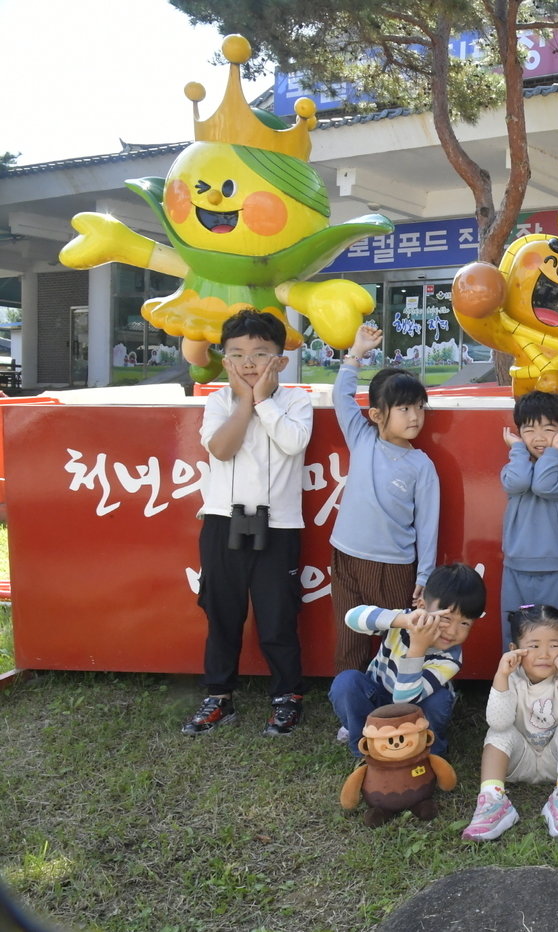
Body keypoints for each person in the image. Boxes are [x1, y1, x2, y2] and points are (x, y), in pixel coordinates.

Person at [182, 309, 313, 737]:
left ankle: (287, 696)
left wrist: (263, 400)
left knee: (278, 615)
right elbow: (220, 449)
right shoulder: (219, 401)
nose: (249, 363)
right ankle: (219, 696)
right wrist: (243, 401)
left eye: (261, 353)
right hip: (223, 522)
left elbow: (293, 442)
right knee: (221, 613)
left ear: (281, 360)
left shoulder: (295, 401)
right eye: (237, 354)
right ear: (224, 360)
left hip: (279, 526)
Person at [329, 324, 441, 690]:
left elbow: (428, 527)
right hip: (345, 556)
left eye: (419, 408)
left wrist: (423, 577)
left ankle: (393, 706)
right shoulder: (361, 437)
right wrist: (356, 354)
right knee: (350, 636)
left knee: (395, 642)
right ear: (377, 415)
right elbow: (341, 398)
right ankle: (351, 706)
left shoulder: (421, 465)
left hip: (394, 568)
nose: (415, 417)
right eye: (404, 408)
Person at [462, 604, 558, 841]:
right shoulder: (511, 678)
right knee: (498, 733)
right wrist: (501, 676)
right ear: (514, 649)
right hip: (518, 761)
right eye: (533, 646)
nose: (544, 654)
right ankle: (493, 800)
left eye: (554, 646)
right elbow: (498, 722)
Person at [329, 563, 487, 757]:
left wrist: (417, 647)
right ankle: (365, 747)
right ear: (421, 606)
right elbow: (351, 618)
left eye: (465, 623)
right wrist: (401, 620)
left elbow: (404, 700)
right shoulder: (402, 621)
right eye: (446, 618)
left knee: (439, 700)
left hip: (415, 710)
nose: (453, 631)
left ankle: (428, 750)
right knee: (347, 682)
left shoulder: (450, 657)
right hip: (377, 698)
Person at [500, 391, 558, 673]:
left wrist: (555, 452)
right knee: (515, 632)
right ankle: (514, 689)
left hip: (557, 568)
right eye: (529, 430)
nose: (538, 437)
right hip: (516, 567)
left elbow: (544, 485)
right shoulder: (514, 469)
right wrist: (517, 451)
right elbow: (522, 480)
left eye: (549, 429)